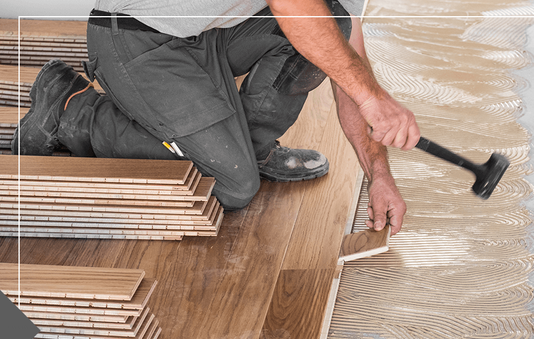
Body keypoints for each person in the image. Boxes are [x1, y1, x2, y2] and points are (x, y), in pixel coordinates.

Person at [12, 0, 420, 236]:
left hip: (202, 36)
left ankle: (250, 148)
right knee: (233, 185)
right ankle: (73, 110)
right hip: (135, 35)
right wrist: (372, 96)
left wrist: (379, 175)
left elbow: (349, 57)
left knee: (332, 21)